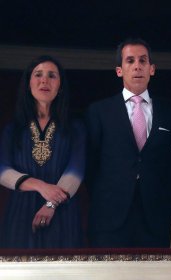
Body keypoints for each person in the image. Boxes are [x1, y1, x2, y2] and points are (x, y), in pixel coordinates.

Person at [86, 38, 171, 248]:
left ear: (152, 69)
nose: (137, 66)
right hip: (110, 216)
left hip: (155, 215)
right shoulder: (99, 111)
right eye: (130, 61)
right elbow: (90, 165)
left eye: (143, 60)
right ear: (119, 70)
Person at [0, 55, 85, 248]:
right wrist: (40, 186)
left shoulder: (75, 128)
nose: (44, 80)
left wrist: (50, 205)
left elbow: (76, 171)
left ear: (60, 86)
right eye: (38, 74)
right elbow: (2, 170)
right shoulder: (13, 129)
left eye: (52, 76)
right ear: (28, 83)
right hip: (21, 212)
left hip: (63, 213)